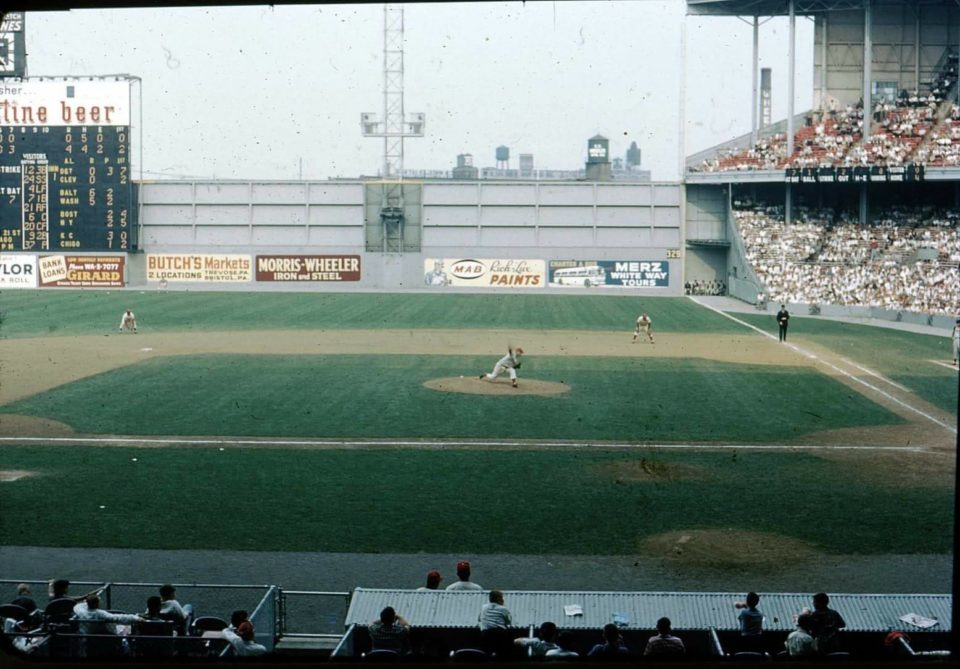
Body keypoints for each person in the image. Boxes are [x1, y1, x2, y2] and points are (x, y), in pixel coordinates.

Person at [479, 590, 512, 657]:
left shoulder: (484, 607)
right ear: (499, 599)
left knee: (486, 653)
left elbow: (479, 619)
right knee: (502, 653)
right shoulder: (504, 609)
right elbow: (508, 621)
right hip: (500, 633)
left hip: (485, 633)